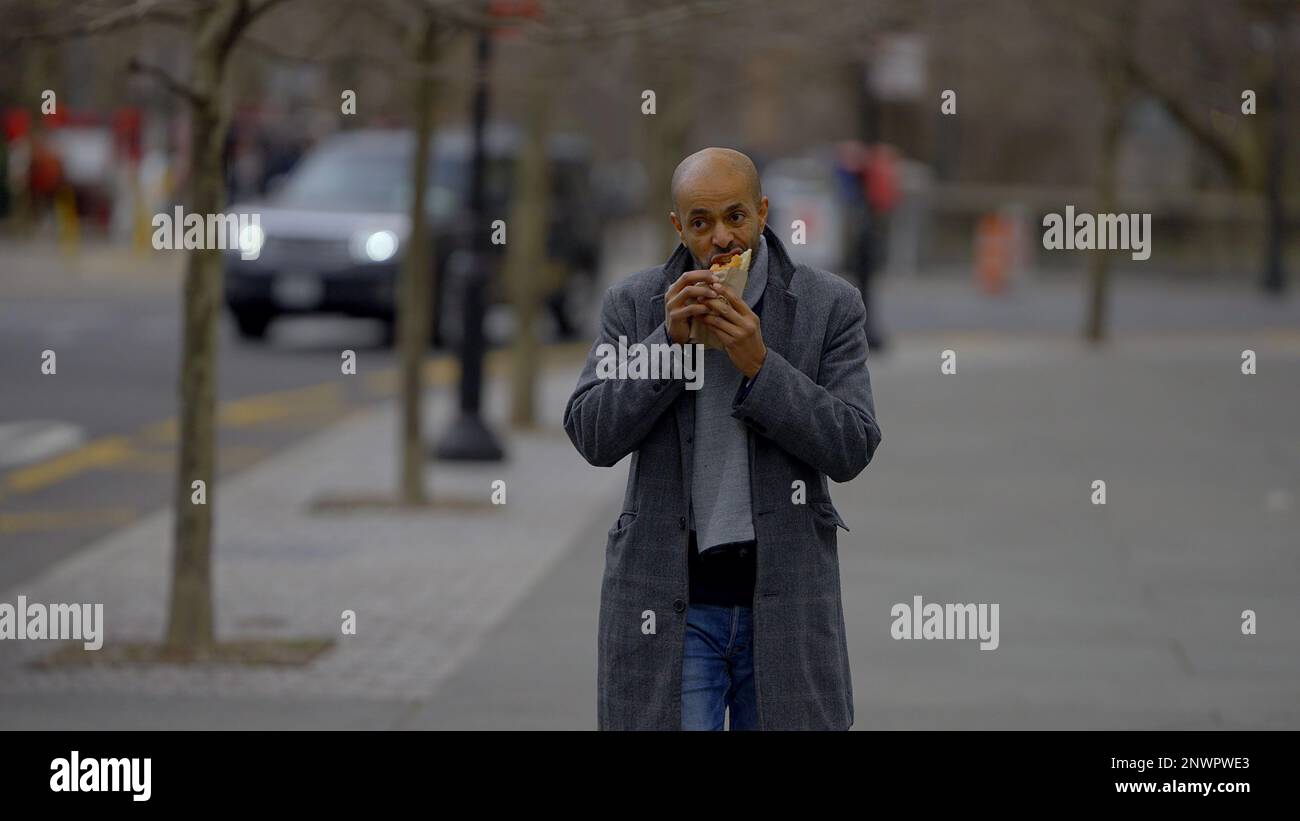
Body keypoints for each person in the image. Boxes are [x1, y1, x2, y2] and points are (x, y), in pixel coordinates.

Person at [563, 147, 883, 730]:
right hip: (669, 604)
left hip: (784, 602)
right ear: (678, 227)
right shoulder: (635, 306)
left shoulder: (828, 306)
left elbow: (853, 445)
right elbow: (591, 434)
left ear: (762, 213)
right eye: (701, 222)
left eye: (736, 217)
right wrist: (665, 347)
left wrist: (762, 366)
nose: (721, 239)